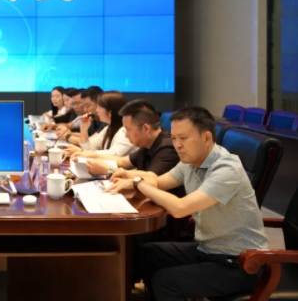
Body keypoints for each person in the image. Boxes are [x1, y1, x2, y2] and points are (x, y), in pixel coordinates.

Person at [106, 107, 267, 300]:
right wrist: (130, 176)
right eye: (174, 138)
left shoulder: (226, 169)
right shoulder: (191, 161)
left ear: (206, 138)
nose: (177, 145)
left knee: (167, 282)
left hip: (242, 263)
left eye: (183, 138)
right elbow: (159, 181)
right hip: (208, 249)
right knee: (148, 253)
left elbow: (180, 208)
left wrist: (137, 183)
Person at [80, 100, 180, 181]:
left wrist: (108, 170)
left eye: (128, 129)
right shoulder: (147, 144)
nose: (126, 135)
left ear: (146, 129)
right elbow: (123, 162)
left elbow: (152, 177)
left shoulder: (168, 147)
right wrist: (92, 156)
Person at [71, 91, 137, 157]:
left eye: (99, 107)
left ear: (110, 112)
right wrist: (83, 129)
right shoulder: (108, 128)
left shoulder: (125, 131)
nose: (97, 110)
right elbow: (88, 148)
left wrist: (83, 152)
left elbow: (113, 154)